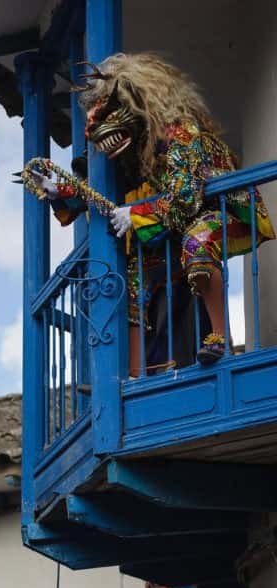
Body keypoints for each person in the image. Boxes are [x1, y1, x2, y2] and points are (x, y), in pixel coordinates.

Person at [34, 53, 274, 374]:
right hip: (180, 224)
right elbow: (107, 194)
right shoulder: (141, 150)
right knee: (134, 273)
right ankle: (135, 374)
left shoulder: (181, 134)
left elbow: (185, 197)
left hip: (226, 213)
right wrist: (62, 191)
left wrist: (136, 214)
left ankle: (217, 337)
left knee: (197, 242)